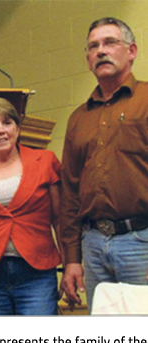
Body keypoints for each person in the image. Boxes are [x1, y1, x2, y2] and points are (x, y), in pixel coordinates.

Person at [60, 17, 148, 312]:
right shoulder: (78, 119)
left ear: (132, 50)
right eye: (93, 46)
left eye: (110, 42)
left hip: (142, 243)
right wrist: (72, 258)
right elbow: (70, 192)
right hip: (93, 245)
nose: (101, 51)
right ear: (88, 59)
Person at [0, 97, 62, 316]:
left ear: (18, 128)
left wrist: (71, 265)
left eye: (7, 123)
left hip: (36, 274)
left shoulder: (45, 161)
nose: (1, 131)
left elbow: (60, 220)